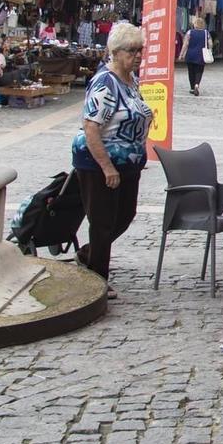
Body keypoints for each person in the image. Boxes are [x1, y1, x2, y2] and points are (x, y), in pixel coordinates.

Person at [71, 22, 152, 300]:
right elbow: (91, 127)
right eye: (132, 51)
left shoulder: (131, 80)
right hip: (99, 163)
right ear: (115, 52)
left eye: (140, 50)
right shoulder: (105, 82)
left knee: (125, 215)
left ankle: (88, 254)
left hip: (128, 163)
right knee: (103, 221)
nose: (138, 55)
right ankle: (97, 281)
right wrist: (107, 166)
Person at [181, 14, 210, 97]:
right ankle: (197, 84)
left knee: (191, 71)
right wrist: (209, 49)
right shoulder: (206, 33)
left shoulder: (190, 32)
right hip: (201, 55)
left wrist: (181, 54)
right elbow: (210, 43)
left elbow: (185, 44)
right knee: (199, 71)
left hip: (190, 54)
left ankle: (192, 88)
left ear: (195, 24)